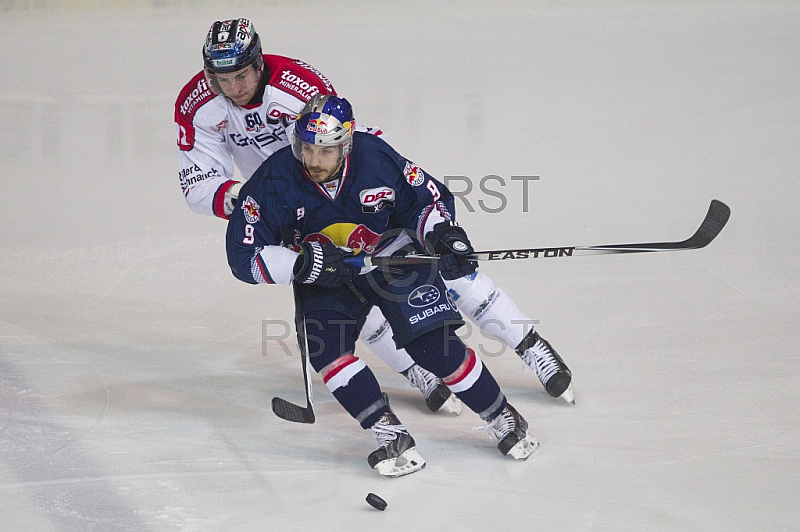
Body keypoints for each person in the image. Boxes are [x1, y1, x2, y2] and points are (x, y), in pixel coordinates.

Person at [174, 18, 574, 410]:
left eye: (241, 75)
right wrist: (255, 206)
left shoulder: (295, 86)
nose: (234, 88)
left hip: (348, 190)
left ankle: (530, 344)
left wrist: (388, 186)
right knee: (344, 284)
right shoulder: (197, 105)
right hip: (294, 212)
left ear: (258, 62)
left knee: (445, 264)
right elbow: (198, 185)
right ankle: (414, 368)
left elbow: (346, 135)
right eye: (221, 80)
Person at [226, 94, 539, 475]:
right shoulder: (275, 178)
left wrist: (444, 235)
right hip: (326, 275)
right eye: (306, 148)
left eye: (324, 151)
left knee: (434, 347)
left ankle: (502, 416)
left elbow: (428, 197)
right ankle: (389, 433)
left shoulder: (375, 157)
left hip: (391, 257)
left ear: (346, 144)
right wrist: (301, 263)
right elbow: (243, 256)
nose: (312, 160)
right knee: (327, 350)